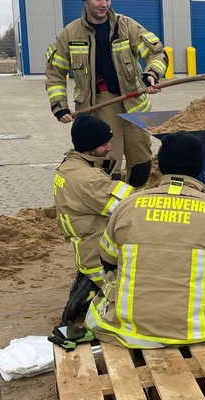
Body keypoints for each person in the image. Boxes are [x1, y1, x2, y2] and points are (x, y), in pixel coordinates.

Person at [85, 131, 205, 349]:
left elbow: (109, 263)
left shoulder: (127, 206)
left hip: (129, 329)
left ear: (160, 165)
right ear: (198, 168)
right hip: (200, 330)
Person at [44, 0, 168, 189]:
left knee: (142, 164)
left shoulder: (126, 26)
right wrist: (59, 106)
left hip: (134, 104)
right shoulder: (70, 33)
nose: (104, 4)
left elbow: (156, 54)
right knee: (110, 167)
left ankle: (136, 205)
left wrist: (151, 73)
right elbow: (55, 73)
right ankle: (113, 209)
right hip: (99, 106)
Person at [53, 113, 134, 324]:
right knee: (133, 299)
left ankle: (87, 289)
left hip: (85, 250)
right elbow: (130, 207)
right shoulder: (90, 180)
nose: (109, 148)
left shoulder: (69, 166)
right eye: (105, 144)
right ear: (90, 148)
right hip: (98, 257)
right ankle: (90, 299)